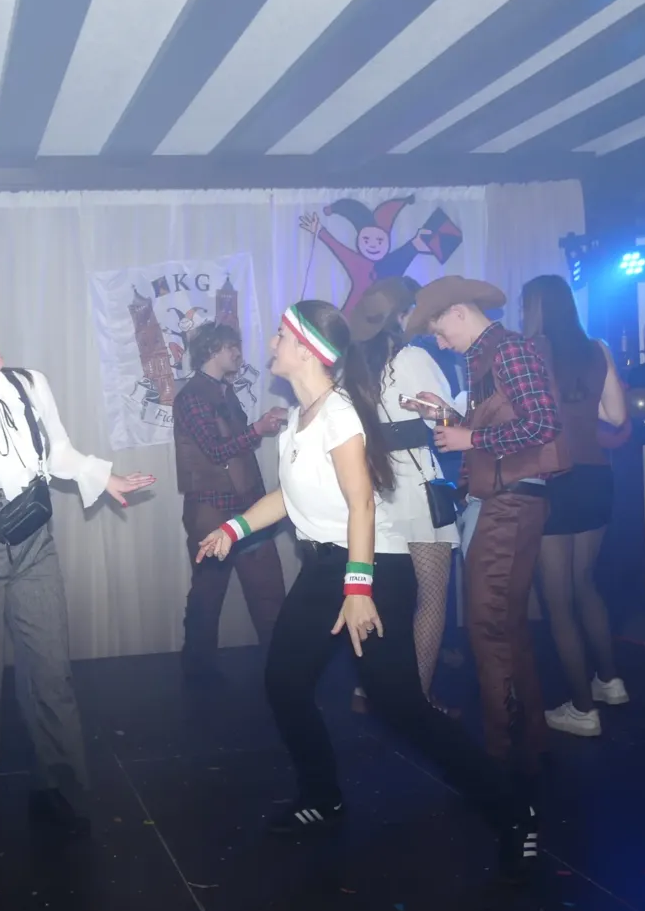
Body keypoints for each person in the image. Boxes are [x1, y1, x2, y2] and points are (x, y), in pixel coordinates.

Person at [197, 301, 536, 873]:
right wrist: (234, 529)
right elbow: (290, 497)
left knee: (399, 705)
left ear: (308, 349)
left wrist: (358, 592)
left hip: (372, 568)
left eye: (280, 335)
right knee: (285, 683)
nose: (271, 343)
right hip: (325, 567)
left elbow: (362, 505)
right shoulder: (300, 418)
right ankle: (322, 797)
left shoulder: (340, 414)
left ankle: (513, 810)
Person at [0, 309, 154, 853]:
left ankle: (56, 790)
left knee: (51, 673)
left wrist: (103, 476)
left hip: (36, 538)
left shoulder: (30, 384)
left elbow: (58, 453)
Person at [403, 276, 568, 805]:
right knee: (505, 625)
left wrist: (469, 435)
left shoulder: (508, 350)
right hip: (505, 500)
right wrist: (448, 418)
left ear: (458, 312)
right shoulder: (488, 357)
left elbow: (543, 423)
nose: (441, 343)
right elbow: (509, 424)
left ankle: (501, 755)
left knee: (489, 626)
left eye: (439, 332)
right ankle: (527, 744)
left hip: (510, 502)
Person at [520, 275, 629, 737]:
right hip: (596, 477)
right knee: (585, 583)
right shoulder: (597, 348)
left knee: (557, 599)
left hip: (554, 478)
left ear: (536, 308)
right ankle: (610, 682)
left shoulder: (529, 351)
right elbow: (617, 416)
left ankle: (583, 710)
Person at [345, 278, 460, 715]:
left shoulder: (353, 364)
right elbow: (446, 420)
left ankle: (367, 690)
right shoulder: (411, 357)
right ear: (400, 316)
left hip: (370, 489)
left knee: (378, 598)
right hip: (413, 485)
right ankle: (418, 701)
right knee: (430, 598)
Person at [171, 321, 287, 681]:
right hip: (211, 509)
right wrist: (258, 429)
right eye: (230, 347)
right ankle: (198, 672)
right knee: (208, 594)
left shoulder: (224, 392)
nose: (238, 352)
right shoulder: (192, 396)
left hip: (247, 505)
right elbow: (215, 450)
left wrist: (260, 428)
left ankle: (282, 669)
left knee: (268, 590)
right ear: (211, 350)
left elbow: (236, 447)